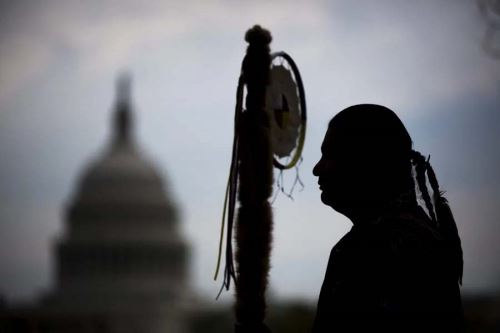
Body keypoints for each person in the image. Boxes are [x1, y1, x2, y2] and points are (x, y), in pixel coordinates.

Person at [311, 104, 464, 332]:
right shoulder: (425, 234)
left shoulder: (364, 248)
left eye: (330, 154)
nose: (317, 169)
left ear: (365, 161)